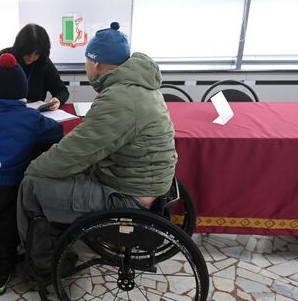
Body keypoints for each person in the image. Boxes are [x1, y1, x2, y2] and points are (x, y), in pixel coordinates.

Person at [16, 22, 177, 277]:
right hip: (139, 182)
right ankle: (55, 244)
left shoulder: (120, 99)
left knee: (33, 183)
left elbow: (76, 151)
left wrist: (34, 168)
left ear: (96, 64)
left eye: (86, 62)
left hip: (129, 197)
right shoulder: (140, 86)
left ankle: (42, 264)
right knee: (57, 169)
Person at [0, 53, 63, 295]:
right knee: (7, 227)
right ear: (22, 89)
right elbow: (56, 131)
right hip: (11, 183)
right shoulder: (30, 117)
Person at [0, 23, 69, 110]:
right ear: (21, 47)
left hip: (32, 115)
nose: (32, 57)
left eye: (37, 53)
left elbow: (61, 90)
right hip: (3, 112)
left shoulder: (43, 62)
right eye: (28, 52)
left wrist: (58, 99)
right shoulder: (4, 58)